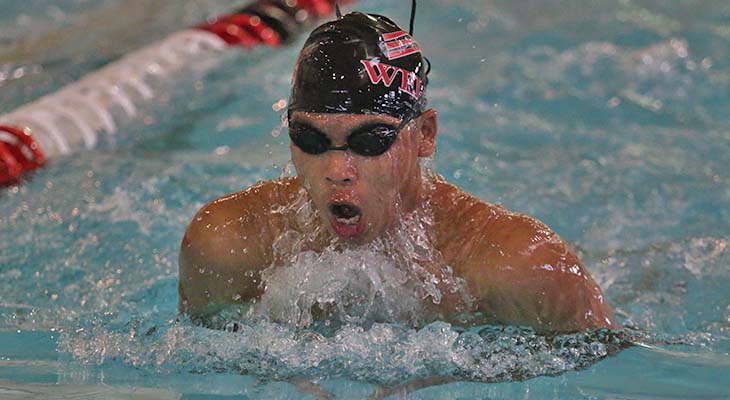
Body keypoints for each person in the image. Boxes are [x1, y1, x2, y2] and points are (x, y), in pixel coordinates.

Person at [178, 11, 618, 333]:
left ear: (424, 136)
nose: (337, 171)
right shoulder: (229, 242)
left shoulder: (518, 264)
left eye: (370, 141)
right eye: (310, 139)